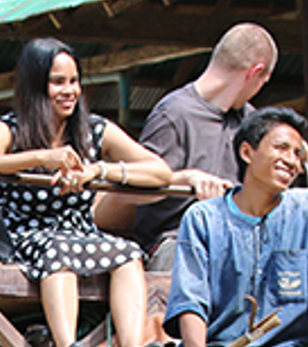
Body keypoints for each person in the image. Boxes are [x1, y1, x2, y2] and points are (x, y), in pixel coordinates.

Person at [0, 37, 174, 347]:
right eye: (58, 82)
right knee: (58, 252)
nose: (69, 90)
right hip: (28, 233)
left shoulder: (94, 130)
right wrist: (40, 158)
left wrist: (100, 171)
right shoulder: (11, 128)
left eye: (74, 81)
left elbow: (160, 172)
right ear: (35, 86)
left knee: (128, 254)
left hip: (81, 230)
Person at [161, 106, 308, 347]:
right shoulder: (203, 217)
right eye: (282, 148)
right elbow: (190, 298)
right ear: (247, 153)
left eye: (297, 154)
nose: (292, 161)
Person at [95, 23, 277, 273]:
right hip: (175, 242)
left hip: (238, 241)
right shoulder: (174, 115)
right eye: (262, 82)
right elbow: (126, 193)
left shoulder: (250, 121)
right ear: (253, 73)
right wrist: (185, 180)